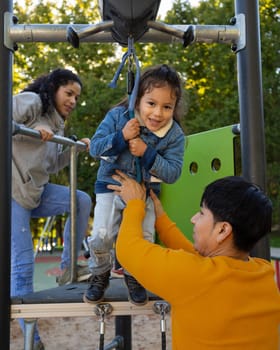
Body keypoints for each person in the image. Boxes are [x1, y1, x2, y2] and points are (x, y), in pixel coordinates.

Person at [109, 170, 280, 350]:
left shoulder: (194, 277)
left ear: (223, 230)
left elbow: (128, 249)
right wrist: (160, 219)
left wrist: (135, 204)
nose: (193, 219)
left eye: (201, 213)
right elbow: (198, 261)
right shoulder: (264, 273)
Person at [84, 64, 186, 305]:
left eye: (167, 107)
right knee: (101, 236)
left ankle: (135, 275)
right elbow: (96, 148)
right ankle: (100, 273)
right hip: (111, 187)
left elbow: (172, 173)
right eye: (151, 103)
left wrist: (147, 153)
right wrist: (122, 137)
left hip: (144, 194)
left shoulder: (174, 135)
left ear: (174, 108)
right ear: (138, 99)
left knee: (144, 240)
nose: (158, 113)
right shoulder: (118, 117)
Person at [11, 68, 92, 350]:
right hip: (12, 191)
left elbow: (51, 164)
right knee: (22, 265)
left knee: (81, 200)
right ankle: (32, 341)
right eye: (68, 93)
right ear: (53, 88)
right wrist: (32, 130)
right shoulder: (32, 102)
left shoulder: (58, 124)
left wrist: (72, 149)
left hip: (36, 191)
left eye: (76, 97)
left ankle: (68, 267)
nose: (73, 101)